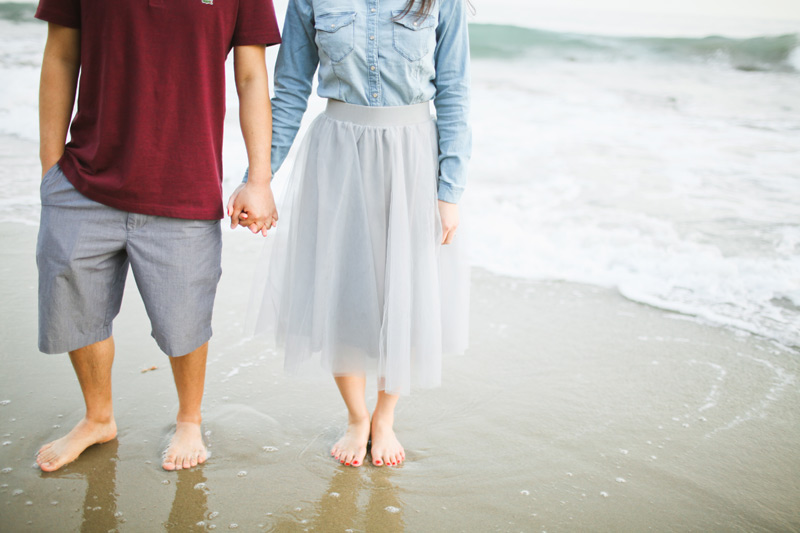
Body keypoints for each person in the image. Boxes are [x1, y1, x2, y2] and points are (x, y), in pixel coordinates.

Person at [34, 0, 281, 472]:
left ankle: (189, 420)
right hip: (85, 177)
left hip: (184, 182)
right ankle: (97, 418)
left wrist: (261, 180)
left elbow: (251, 78)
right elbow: (62, 53)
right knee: (77, 310)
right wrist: (51, 167)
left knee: (184, 319)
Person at [229, 0, 472, 468]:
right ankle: (357, 417)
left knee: (402, 291)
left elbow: (456, 92)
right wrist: (258, 179)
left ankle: (385, 417)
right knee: (342, 291)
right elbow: (290, 90)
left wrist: (450, 191)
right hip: (338, 153)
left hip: (412, 159)